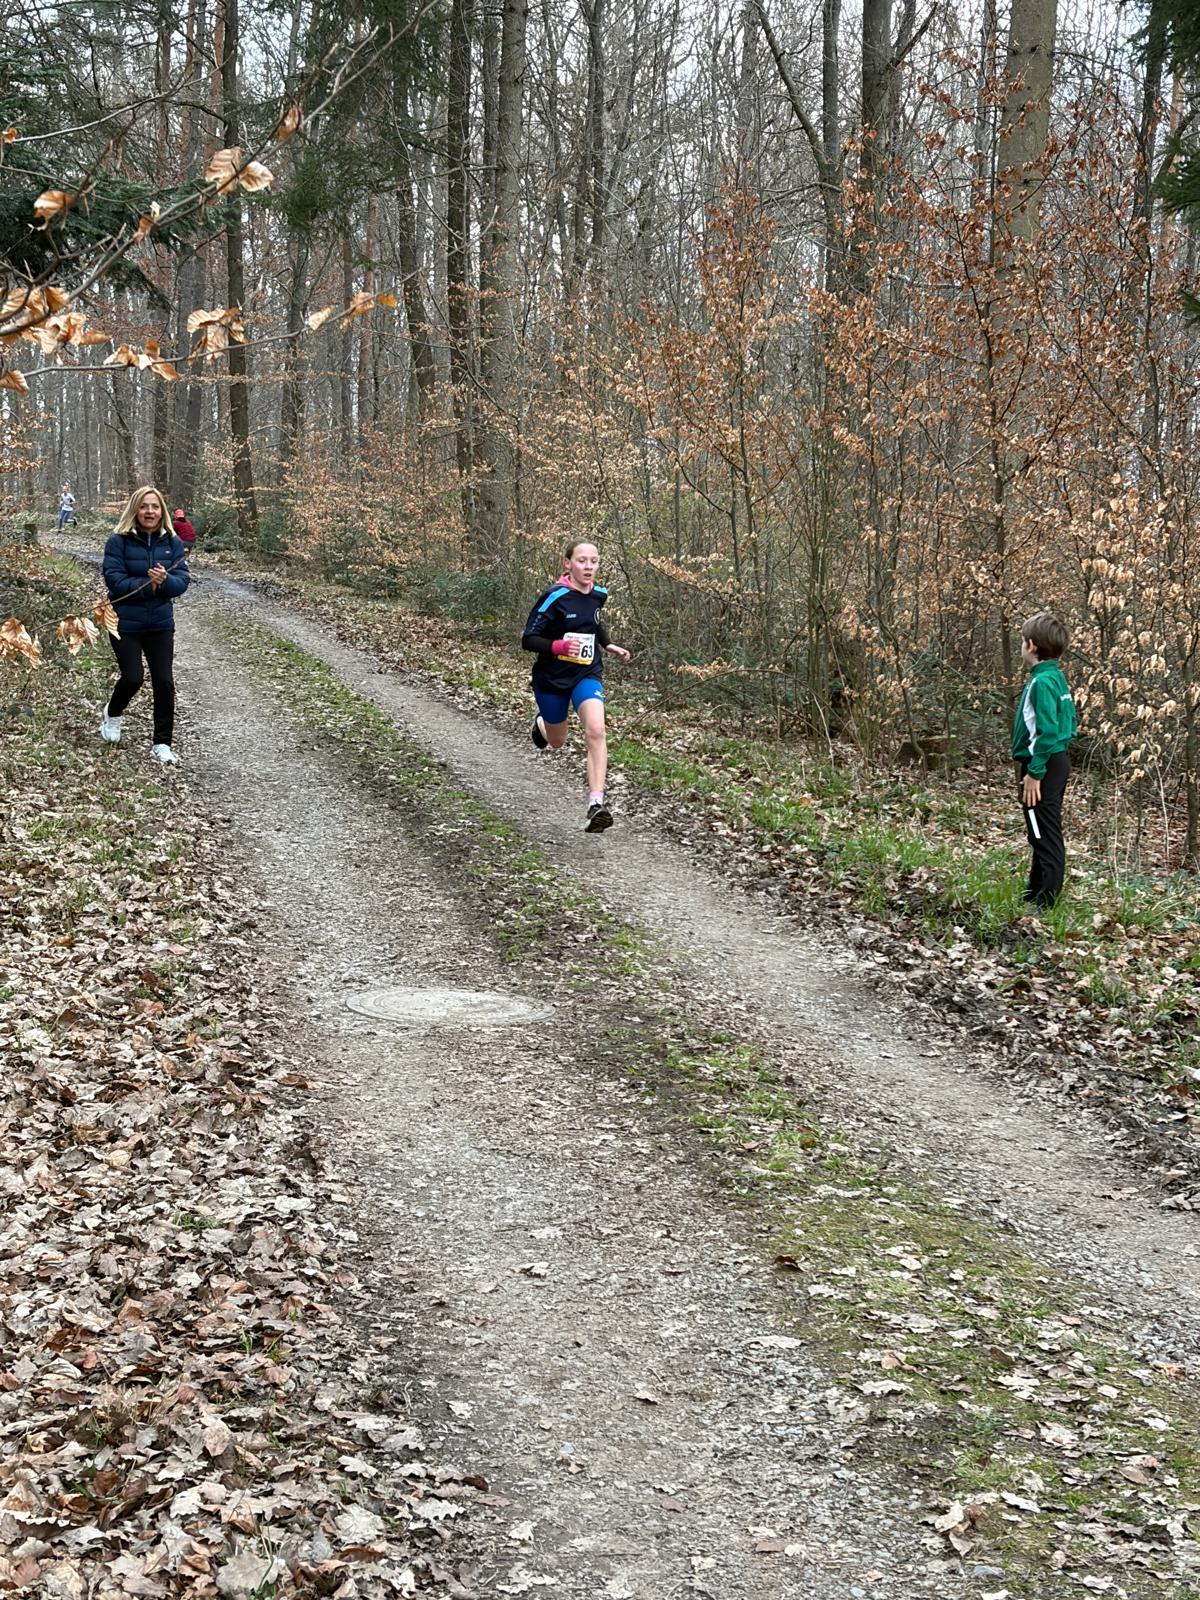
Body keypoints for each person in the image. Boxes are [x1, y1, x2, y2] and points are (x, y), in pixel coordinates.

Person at [522, 539, 631, 833]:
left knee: (596, 729)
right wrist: (558, 646)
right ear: (568, 564)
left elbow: (593, 622)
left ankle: (596, 804)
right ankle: (542, 724)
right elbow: (528, 639)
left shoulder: (599, 594)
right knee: (557, 741)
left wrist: (608, 644)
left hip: (586, 673)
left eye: (594, 561)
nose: (588, 566)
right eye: (582, 560)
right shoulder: (554, 597)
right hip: (551, 678)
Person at [99, 486, 190, 766]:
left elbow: (182, 582)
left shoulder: (172, 542)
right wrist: (148, 585)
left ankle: (162, 744)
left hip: (160, 623)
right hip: (125, 622)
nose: (149, 511)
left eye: (155, 506)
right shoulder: (118, 541)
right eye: (144, 506)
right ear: (135, 510)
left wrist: (165, 581)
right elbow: (114, 581)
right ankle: (112, 713)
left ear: (162, 511)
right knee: (133, 677)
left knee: (164, 682)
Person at [1011, 611, 1078, 910]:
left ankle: (1045, 900)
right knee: (1040, 827)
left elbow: (1048, 731)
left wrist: (1035, 772)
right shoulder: (1055, 677)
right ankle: (1034, 890)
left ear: (1032, 645)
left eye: (1022, 641)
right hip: (1056, 761)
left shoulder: (1042, 682)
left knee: (1042, 831)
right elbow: (1069, 723)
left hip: (1044, 765)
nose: (1021, 646)